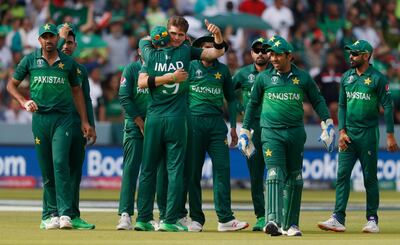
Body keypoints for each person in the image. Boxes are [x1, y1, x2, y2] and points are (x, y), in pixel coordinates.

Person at [135, 19, 227, 232]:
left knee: (152, 169)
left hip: (159, 117)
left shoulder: (151, 53)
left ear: (186, 36)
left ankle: (148, 218)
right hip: (170, 117)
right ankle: (164, 220)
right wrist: (171, 77)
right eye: (172, 34)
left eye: (180, 34)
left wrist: (218, 35)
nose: (176, 38)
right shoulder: (184, 52)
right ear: (167, 33)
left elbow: (215, 53)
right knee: (170, 169)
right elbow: (140, 82)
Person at [239, 36, 334, 236]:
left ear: (289, 55)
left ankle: (290, 224)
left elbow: (317, 100)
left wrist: (328, 123)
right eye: (270, 53)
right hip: (271, 132)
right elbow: (253, 104)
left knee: (295, 177)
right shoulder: (264, 78)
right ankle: (272, 220)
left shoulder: (303, 77)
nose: (272, 58)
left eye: (277, 54)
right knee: (274, 173)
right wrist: (245, 131)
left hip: (295, 132)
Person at [6, 23, 93, 230]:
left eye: (52, 37)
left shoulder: (68, 63)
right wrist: (24, 101)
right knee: (46, 169)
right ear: (39, 40)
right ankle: (50, 214)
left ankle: (65, 214)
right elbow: (11, 85)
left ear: (56, 39)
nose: (48, 40)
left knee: (60, 162)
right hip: (40, 119)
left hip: (63, 119)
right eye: (44, 37)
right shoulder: (30, 60)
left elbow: (78, 92)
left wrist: (84, 120)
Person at [318, 40, 399, 233]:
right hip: (348, 135)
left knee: (369, 178)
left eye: (355, 54)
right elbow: (343, 106)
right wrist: (342, 131)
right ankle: (338, 218)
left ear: (366, 55)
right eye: (350, 53)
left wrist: (390, 134)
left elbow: (388, 106)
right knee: (342, 175)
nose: (351, 57)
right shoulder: (346, 77)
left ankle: (372, 219)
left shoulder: (378, 78)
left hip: (368, 134)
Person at [187, 34, 248, 232]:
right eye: (204, 47)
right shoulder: (190, 66)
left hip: (216, 125)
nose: (208, 50)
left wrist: (232, 127)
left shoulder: (222, 70)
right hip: (194, 122)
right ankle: (196, 219)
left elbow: (231, 99)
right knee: (193, 172)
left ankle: (225, 219)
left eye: (211, 46)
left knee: (222, 170)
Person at [57, 23, 96, 229]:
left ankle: (72, 214)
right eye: (63, 42)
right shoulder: (53, 66)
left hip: (77, 124)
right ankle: (54, 213)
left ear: (76, 45)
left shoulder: (80, 70)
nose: (66, 46)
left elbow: (87, 100)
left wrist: (90, 124)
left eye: (70, 43)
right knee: (58, 167)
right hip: (57, 124)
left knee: (75, 172)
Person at [116, 49, 159, 230]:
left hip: (156, 123)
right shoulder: (132, 69)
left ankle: (145, 216)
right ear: (140, 51)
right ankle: (125, 215)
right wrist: (140, 123)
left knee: (150, 171)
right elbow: (124, 98)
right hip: (135, 123)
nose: (151, 51)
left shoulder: (160, 69)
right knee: (131, 168)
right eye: (147, 48)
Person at [232, 37, 272, 231]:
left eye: (264, 50)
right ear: (251, 54)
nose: (260, 53)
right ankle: (261, 216)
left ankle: (277, 213)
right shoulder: (243, 74)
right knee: (256, 175)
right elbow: (227, 92)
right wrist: (240, 107)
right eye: (257, 50)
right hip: (251, 128)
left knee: (277, 172)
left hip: (273, 126)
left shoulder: (276, 74)